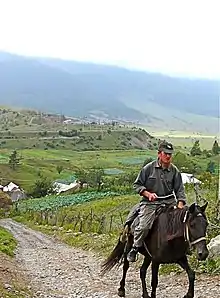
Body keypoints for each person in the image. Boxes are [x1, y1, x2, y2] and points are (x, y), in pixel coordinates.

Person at [127, 140, 187, 262]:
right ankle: (135, 247)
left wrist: (180, 204)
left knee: (185, 220)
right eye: (166, 153)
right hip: (150, 203)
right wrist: (147, 194)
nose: (168, 156)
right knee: (144, 226)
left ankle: (184, 248)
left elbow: (180, 190)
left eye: (170, 154)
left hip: (169, 201)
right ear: (159, 154)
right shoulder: (148, 169)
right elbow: (137, 185)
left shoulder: (174, 170)